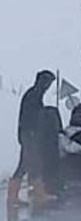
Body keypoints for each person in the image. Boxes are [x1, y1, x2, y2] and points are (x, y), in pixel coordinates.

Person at [6, 70, 56, 209]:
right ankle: (39, 195)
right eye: (48, 83)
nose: (48, 86)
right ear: (43, 82)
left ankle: (13, 197)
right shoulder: (34, 95)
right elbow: (32, 118)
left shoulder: (33, 94)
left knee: (24, 165)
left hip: (28, 134)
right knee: (33, 164)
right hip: (30, 135)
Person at [40, 106, 64, 198]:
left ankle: (48, 187)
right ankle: (52, 187)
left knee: (47, 167)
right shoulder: (52, 114)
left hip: (46, 144)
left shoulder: (42, 117)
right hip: (52, 143)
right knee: (52, 165)